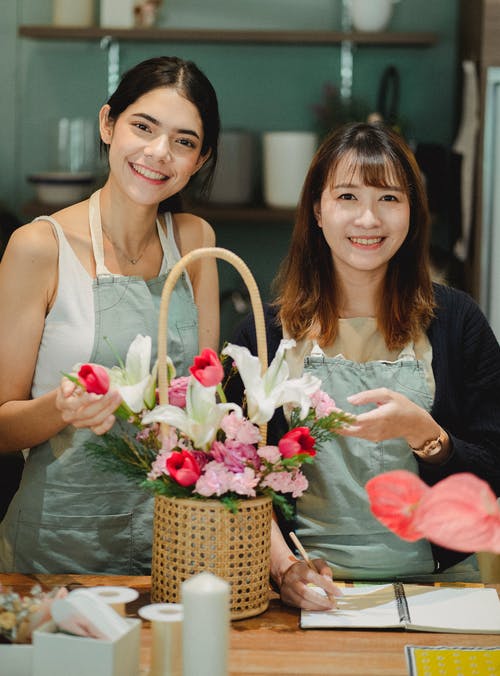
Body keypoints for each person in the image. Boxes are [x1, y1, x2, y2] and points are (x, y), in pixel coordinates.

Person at [228, 122, 500, 610]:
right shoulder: (266, 334)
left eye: (390, 199)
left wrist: (429, 437)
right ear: (317, 208)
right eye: (348, 197)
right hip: (312, 590)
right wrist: (283, 567)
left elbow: (495, 468)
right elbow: (235, 472)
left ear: (413, 212)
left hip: (443, 589)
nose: (368, 219)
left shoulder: (459, 323)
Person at [0, 55, 220, 574]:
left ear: (201, 159)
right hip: (56, 553)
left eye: (184, 141)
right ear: (107, 124)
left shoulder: (197, 244)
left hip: (173, 545)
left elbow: (206, 412)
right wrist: (62, 407)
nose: (158, 153)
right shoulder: (39, 246)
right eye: (143, 127)